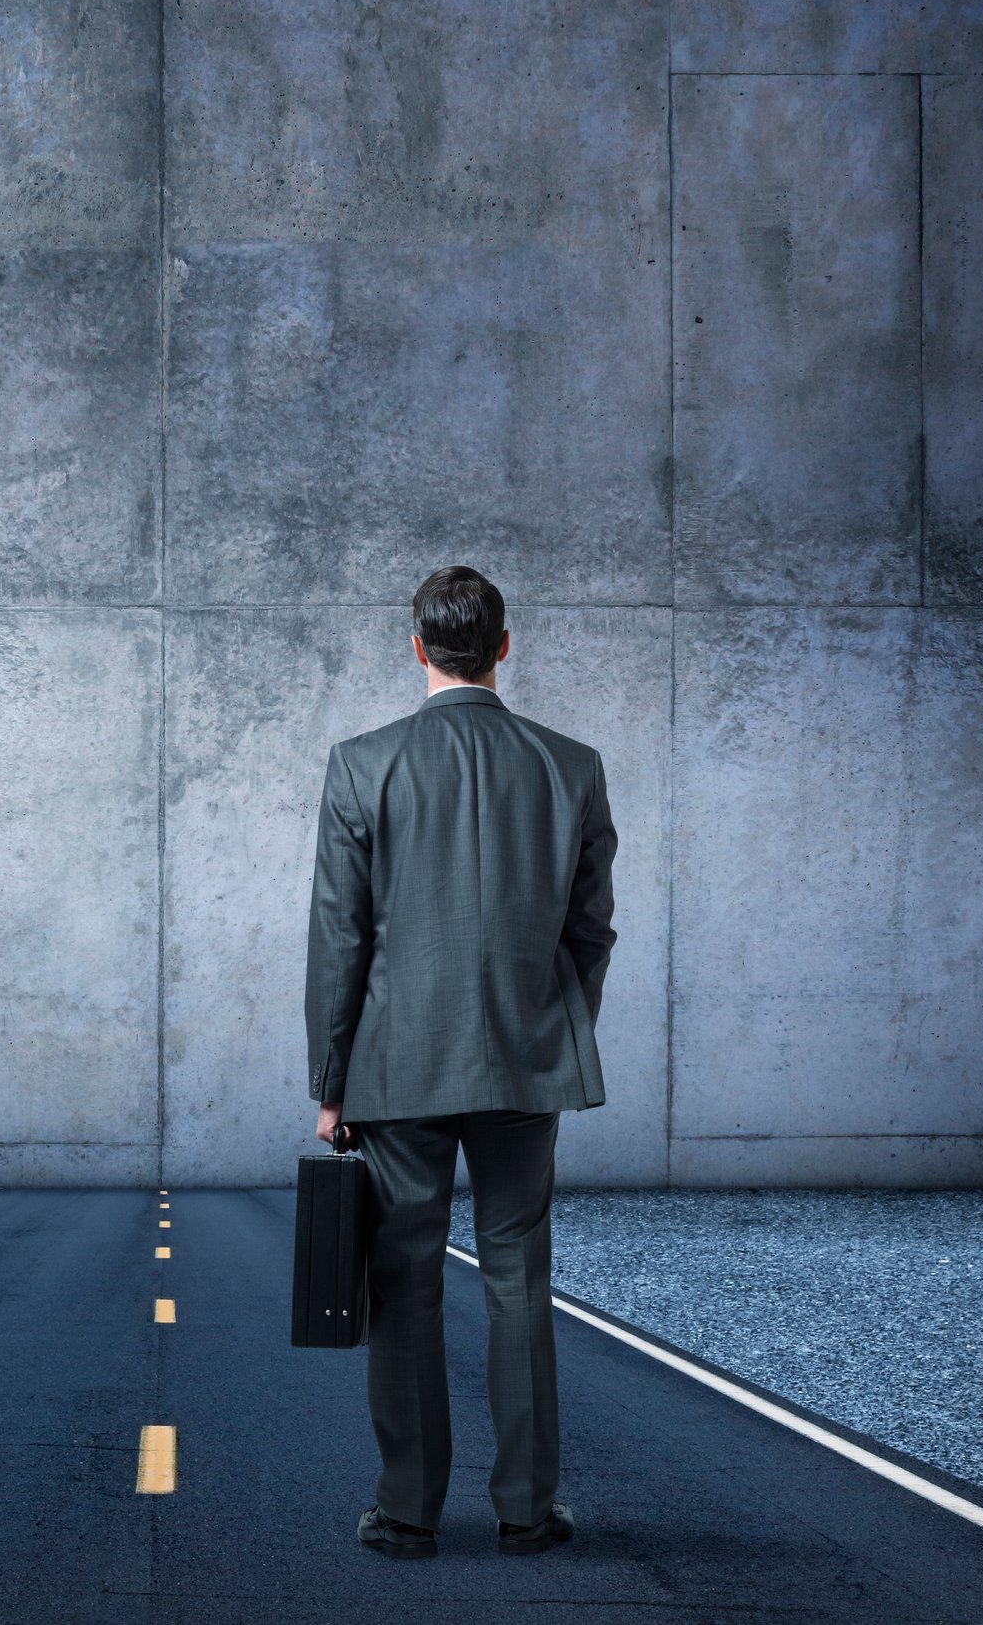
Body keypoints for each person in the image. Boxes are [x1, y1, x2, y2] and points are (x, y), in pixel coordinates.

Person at [304, 564, 618, 1559]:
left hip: (398, 1066)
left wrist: (330, 1079)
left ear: (417, 648)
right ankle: (527, 1512)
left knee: (404, 1282)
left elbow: (340, 939)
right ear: (503, 646)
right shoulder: (571, 765)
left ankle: (408, 1514)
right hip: (525, 1060)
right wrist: (549, 1026)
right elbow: (590, 929)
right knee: (520, 1277)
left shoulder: (361, 765)